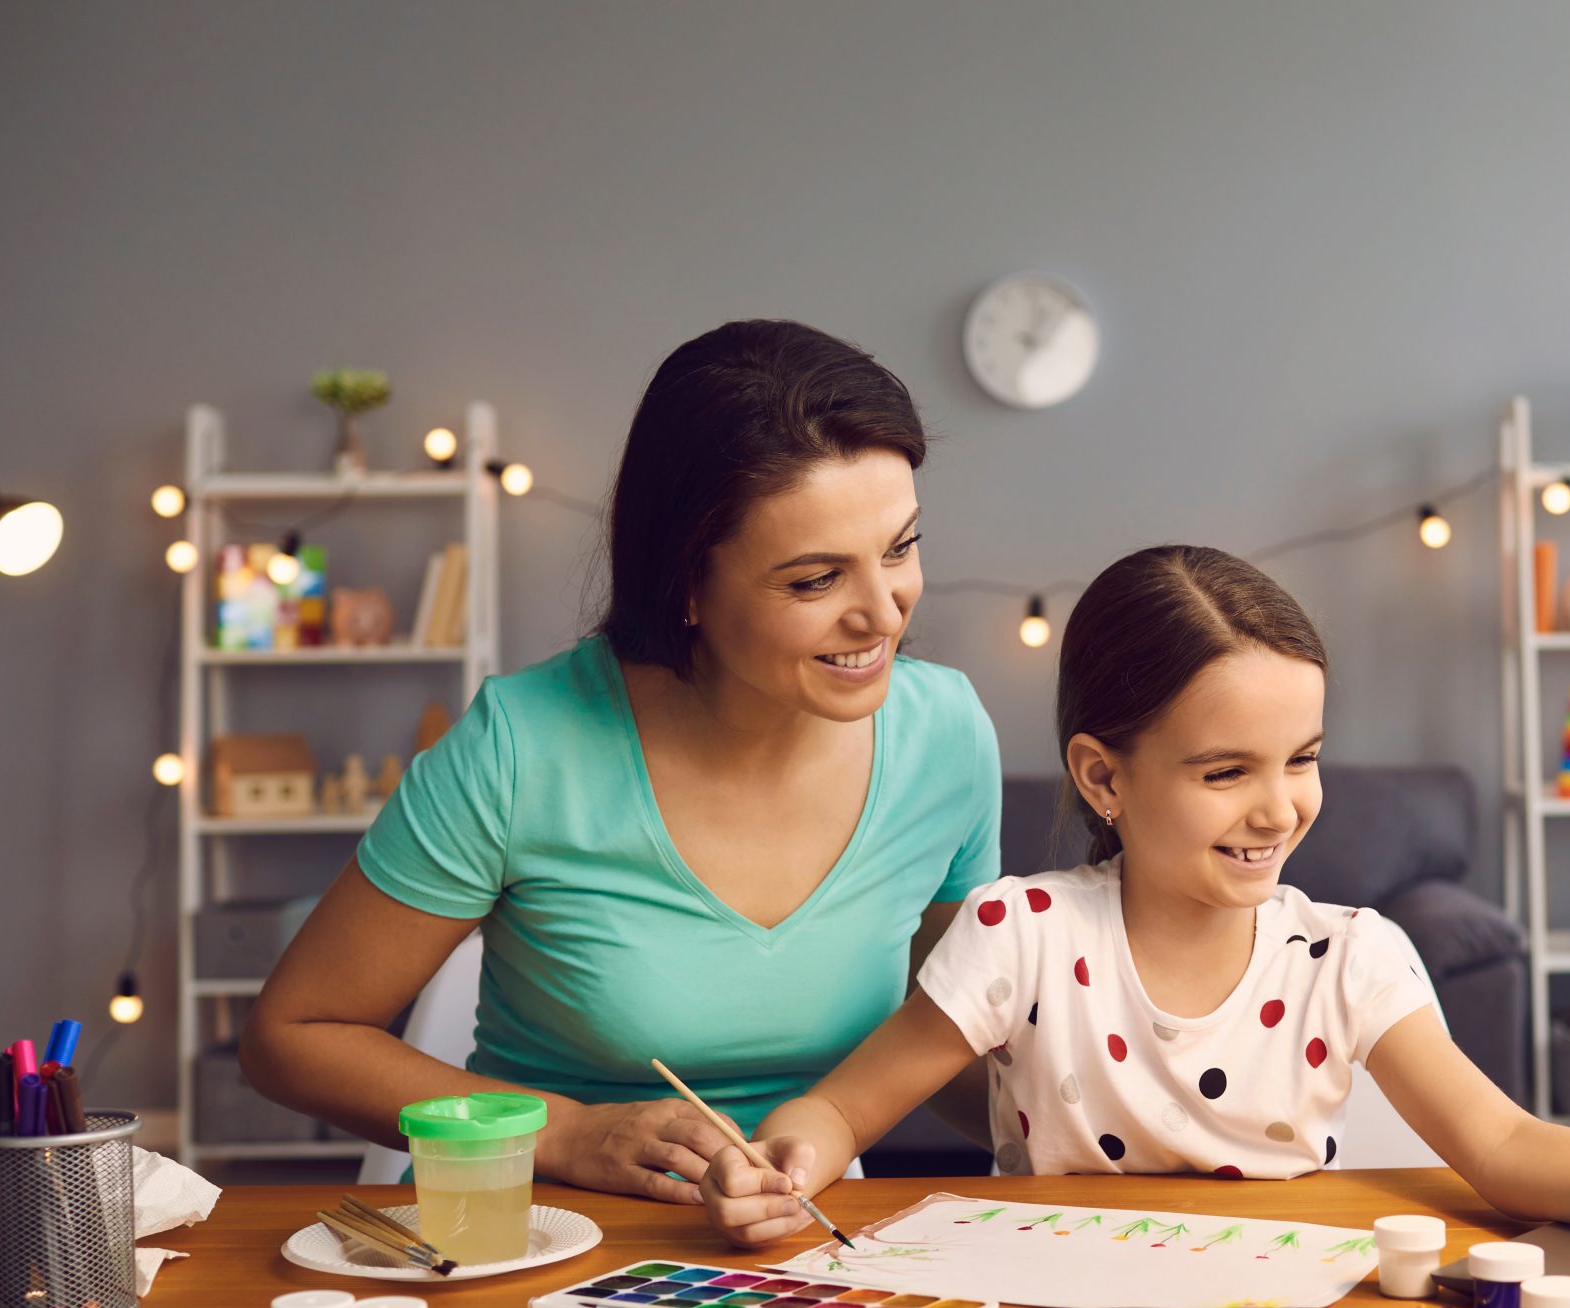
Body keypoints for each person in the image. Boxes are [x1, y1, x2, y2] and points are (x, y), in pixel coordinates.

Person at [701, 544, 1570, 1305]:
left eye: (1302, 759)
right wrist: (788, 1153)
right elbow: (842, 1108)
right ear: (1102, 778)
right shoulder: (1018, 931)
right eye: (1225, 771)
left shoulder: (1350, 954)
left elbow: (1504, 1146)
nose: (1279, 807)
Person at [241, 321, 1001, 1201]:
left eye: (900, 548)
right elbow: (293, 1037)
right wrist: (564, 1133)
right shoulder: (522, 748)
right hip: (532, 1232)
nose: (884, 613)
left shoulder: (945, 736)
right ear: (685, 583)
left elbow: (948, 1038)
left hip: (798, 1240)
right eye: (813, 581)